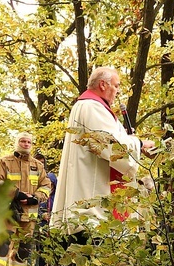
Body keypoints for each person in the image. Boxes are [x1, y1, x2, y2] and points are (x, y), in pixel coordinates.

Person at [50, 67, 155, 244]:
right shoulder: (92, 107)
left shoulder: (86, 106)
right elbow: (110, 145)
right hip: (92, 208)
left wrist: (133, 143)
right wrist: (139, 144)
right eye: (116, 85)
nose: (118, 90)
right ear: (103, 84)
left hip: (86, 203)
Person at [0, 132, 52, 266]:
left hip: (29, 214)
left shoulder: (38, 165)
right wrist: (16, 194)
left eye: (28, 142)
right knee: (2, 244)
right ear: (17, 143)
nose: (26, 144)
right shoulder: (3, 162)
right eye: (23, 141)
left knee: (25, 248)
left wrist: (35, 197)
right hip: (8, 211)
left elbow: (46, 186)